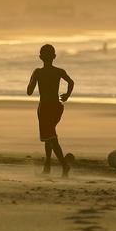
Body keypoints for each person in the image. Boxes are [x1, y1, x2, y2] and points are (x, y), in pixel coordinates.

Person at [27, 44, 74, 176]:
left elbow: (29, 92)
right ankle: (47, 166)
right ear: (54, 56)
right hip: (56, 107)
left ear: (40, 57)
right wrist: (67, 95)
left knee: (51, 137)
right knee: (49, 135)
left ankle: (64, 165)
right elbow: (71, 82)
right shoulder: (59, 71)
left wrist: (33, 78)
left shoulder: (38, 72)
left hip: (45, 108)